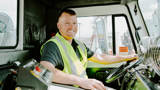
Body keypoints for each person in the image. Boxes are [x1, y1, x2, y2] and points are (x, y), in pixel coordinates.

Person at [40, 9, 137, 90]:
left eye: (74, 23)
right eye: (67, 23)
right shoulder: (52, 45)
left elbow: (100, 58)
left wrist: (126, 58)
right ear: (59, 26)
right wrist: (81, 81)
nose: (72, 27)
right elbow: (46, 71)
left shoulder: (79, 44)